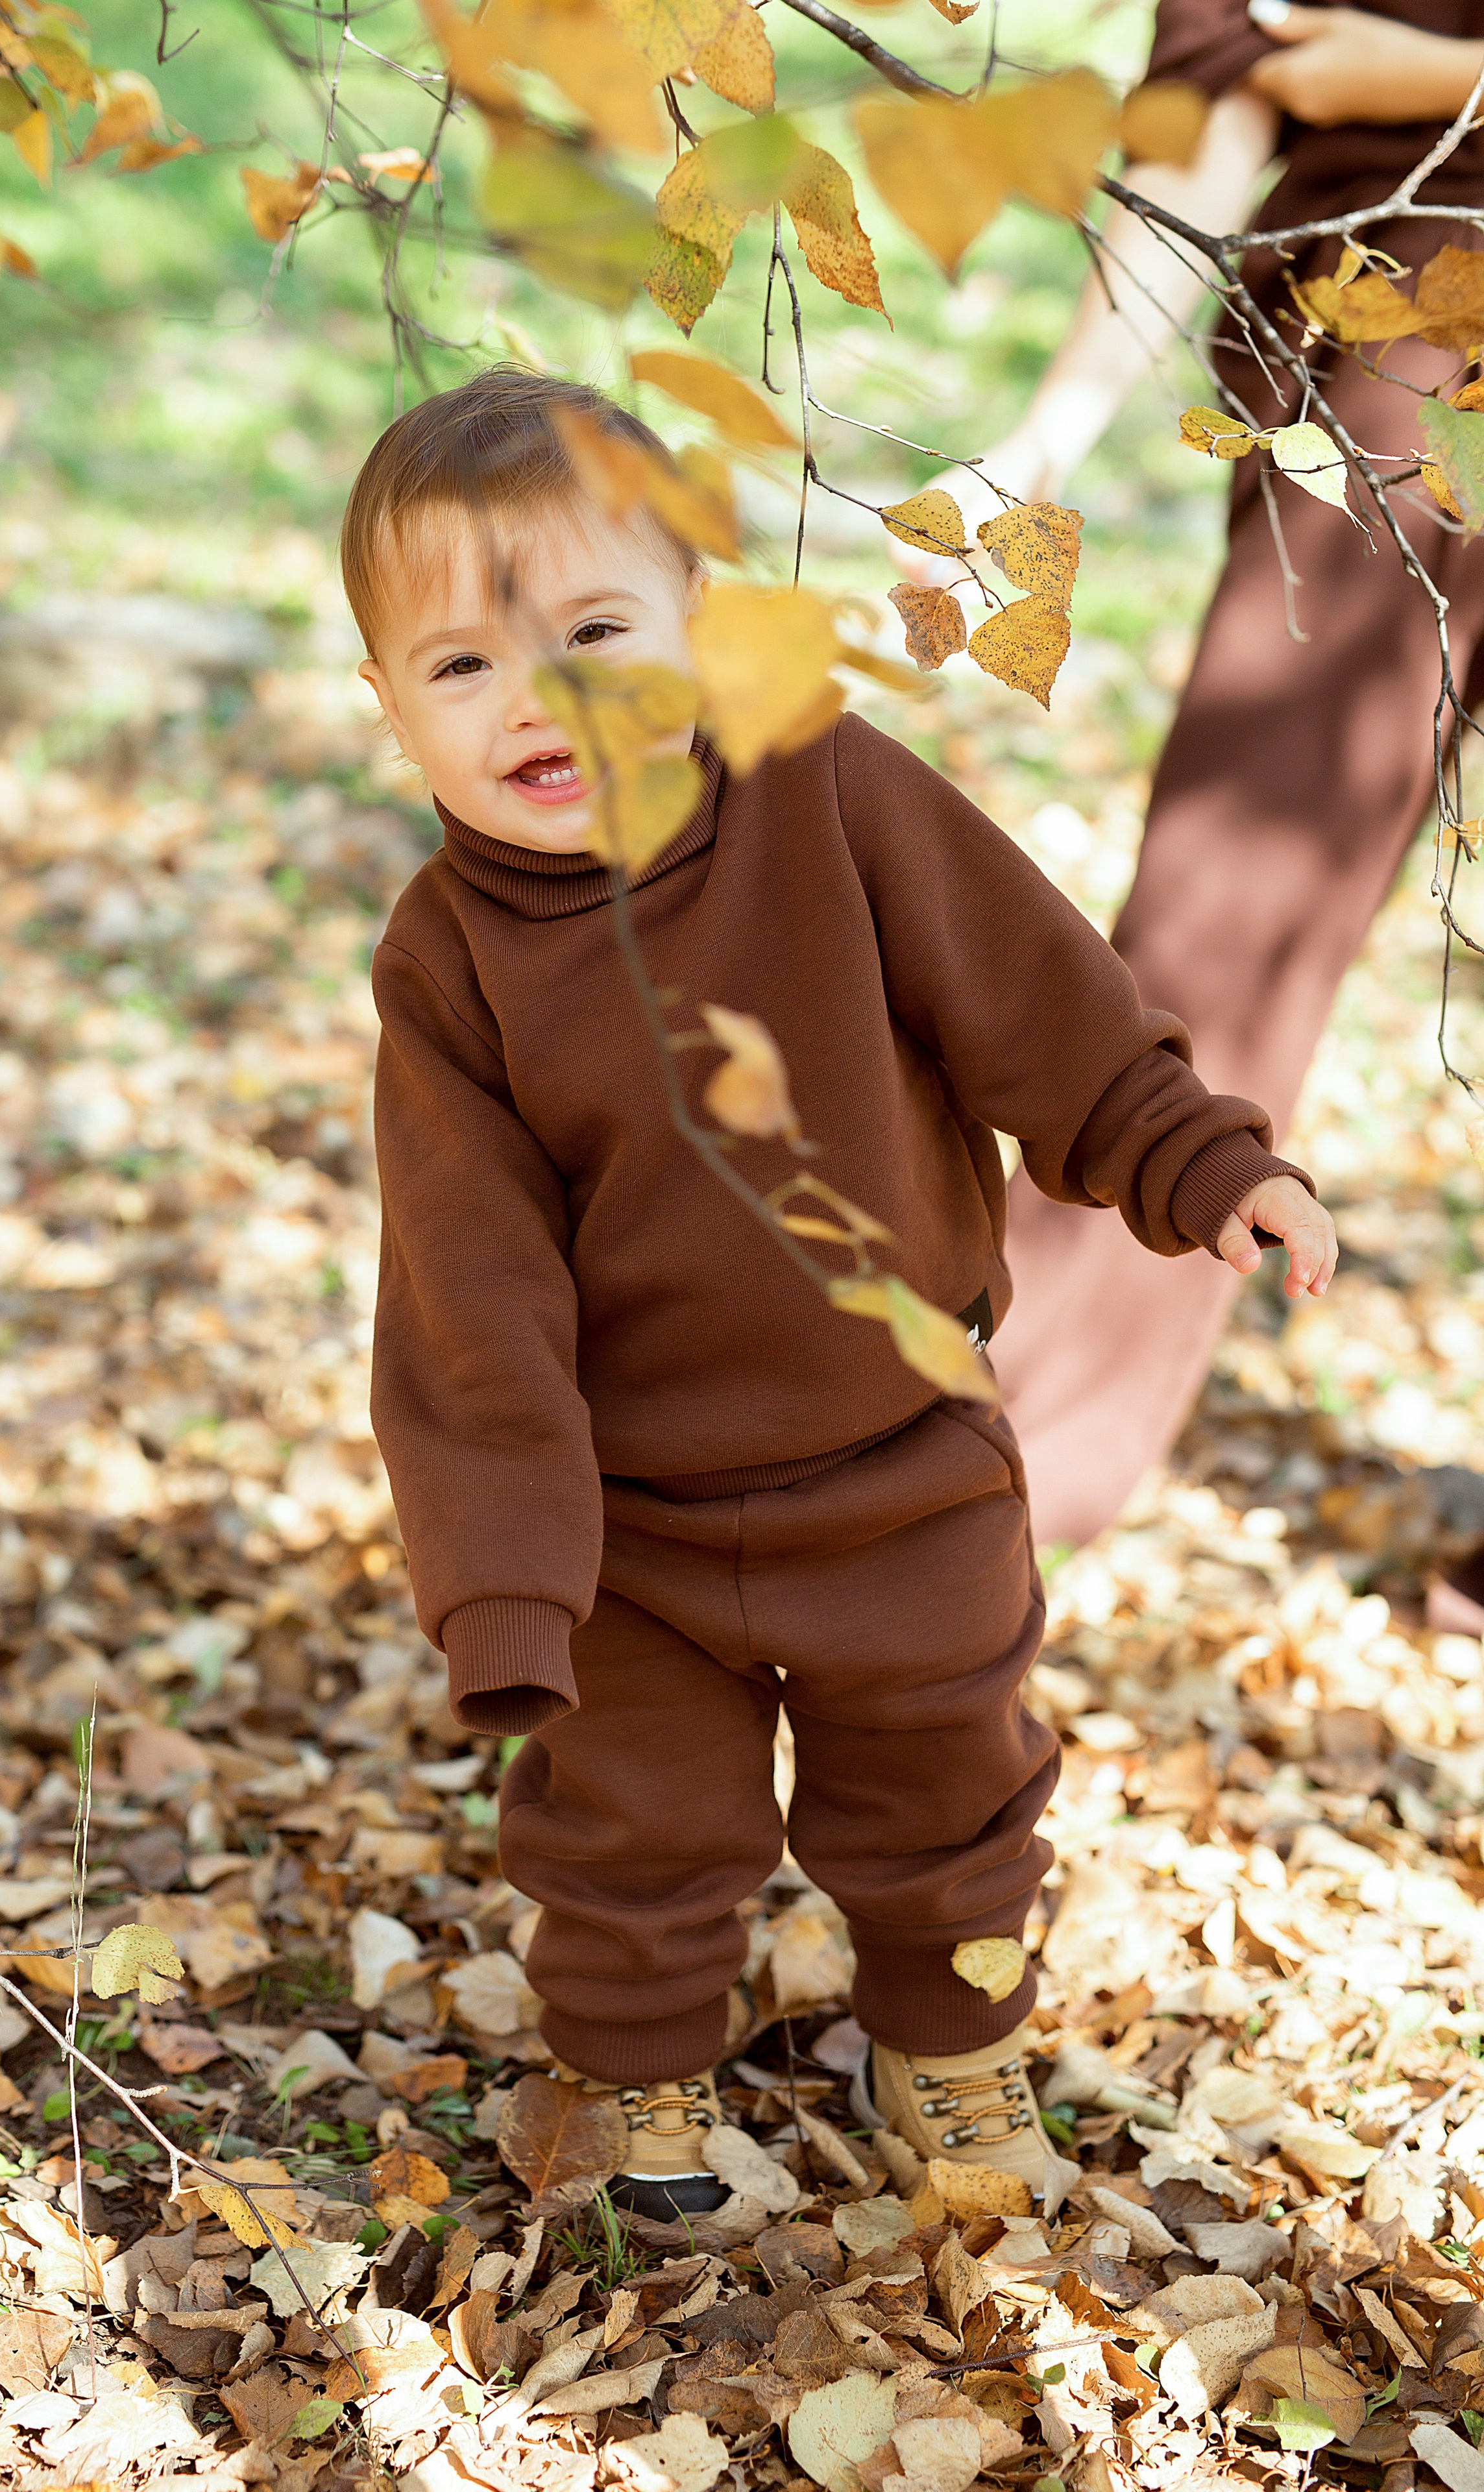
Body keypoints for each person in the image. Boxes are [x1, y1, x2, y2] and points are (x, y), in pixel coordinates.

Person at [345, 366, 1337, 2218]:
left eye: (594, 634)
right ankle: (636, 2089)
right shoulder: (450, 959)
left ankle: (950, 2057)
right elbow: (466, 1290)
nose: (540, 698)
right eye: (462, 667)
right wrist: (503, 1575)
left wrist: (1201, 1162)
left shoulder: (825, 792)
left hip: (896, 1451)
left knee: (948, 1788)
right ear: (391, 715)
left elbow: (1043, 1009)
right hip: (632, 1518)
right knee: (635, 1822)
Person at [895, 0, 1484, 1596]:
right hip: (1377, 396)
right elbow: (1215, 119)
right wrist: (1041, 441)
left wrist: (1423, 77)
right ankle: (985, 1456)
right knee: (1208, 929)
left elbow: (1312, 73)